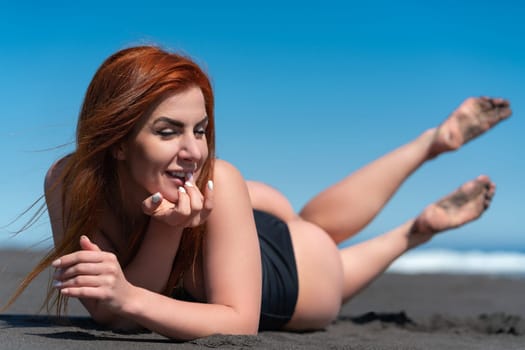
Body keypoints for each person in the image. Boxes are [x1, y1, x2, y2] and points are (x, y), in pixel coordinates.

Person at [6, 45, 512, 340]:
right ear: (116, 141)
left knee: (316, 239)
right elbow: (111, 312)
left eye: (200, 130)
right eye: (168, 131)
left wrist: (133, 287)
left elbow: (237, 323)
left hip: (291, 273)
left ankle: (415, 214)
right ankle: (419, 193)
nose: (193, 149)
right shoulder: (68, 180)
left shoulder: (213, 177)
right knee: (299, 213)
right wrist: (163, 234)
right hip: (218, 231)